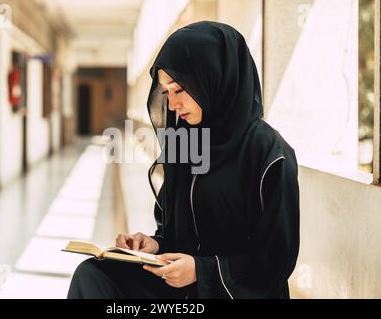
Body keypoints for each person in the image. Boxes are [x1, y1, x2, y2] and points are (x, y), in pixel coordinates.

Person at [67, 21, 300, 299]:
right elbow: (175, 232)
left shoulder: (270, 154)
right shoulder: (186, 141)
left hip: (233, 291)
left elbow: (275, 262)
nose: (173, 104)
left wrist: (203, 271)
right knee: (93, 274)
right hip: (181, 287)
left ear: (214, 79)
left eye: (179, 90)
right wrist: (153, 245)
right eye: (166, 93)